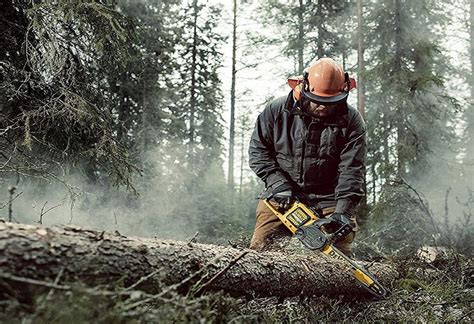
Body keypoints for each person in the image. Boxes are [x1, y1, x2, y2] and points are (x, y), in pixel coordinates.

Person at [248, 57, 366, 257]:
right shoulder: (277, 111)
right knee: (261, 251)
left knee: (339, 254)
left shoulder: (351, 121)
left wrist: (343, 211)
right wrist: (277, 183)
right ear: (304, 88)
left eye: (330, 102)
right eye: (319, 102)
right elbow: (258, 151)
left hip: (329, 198)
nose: (323, 108)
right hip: (284, 193)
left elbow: (352, 170)